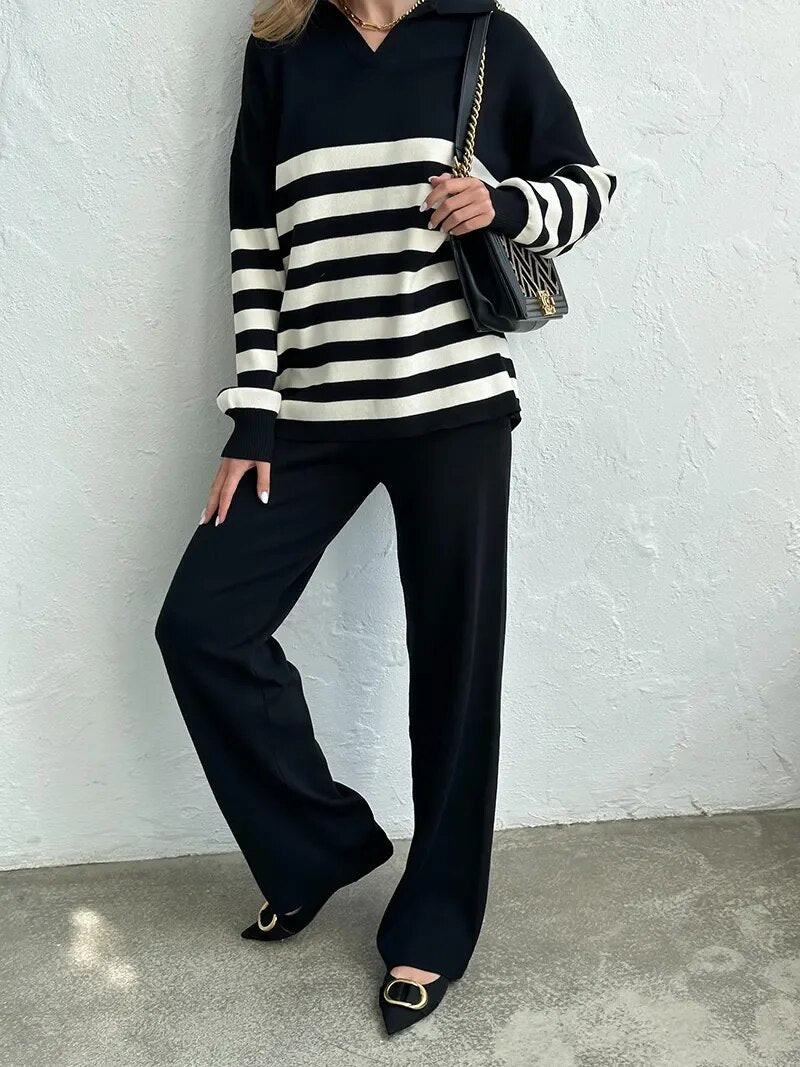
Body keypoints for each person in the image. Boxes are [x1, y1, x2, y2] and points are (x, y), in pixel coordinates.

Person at [155, 0, 616, 1036]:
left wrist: (504, 204)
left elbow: (590, 186)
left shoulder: (481, 34)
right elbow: (256, 244)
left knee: (455, 667)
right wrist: (254, 417)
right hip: (310, 419)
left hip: (452, 413)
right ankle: (317, 847)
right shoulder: (281, 48)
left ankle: (435, 920)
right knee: (202, 626)